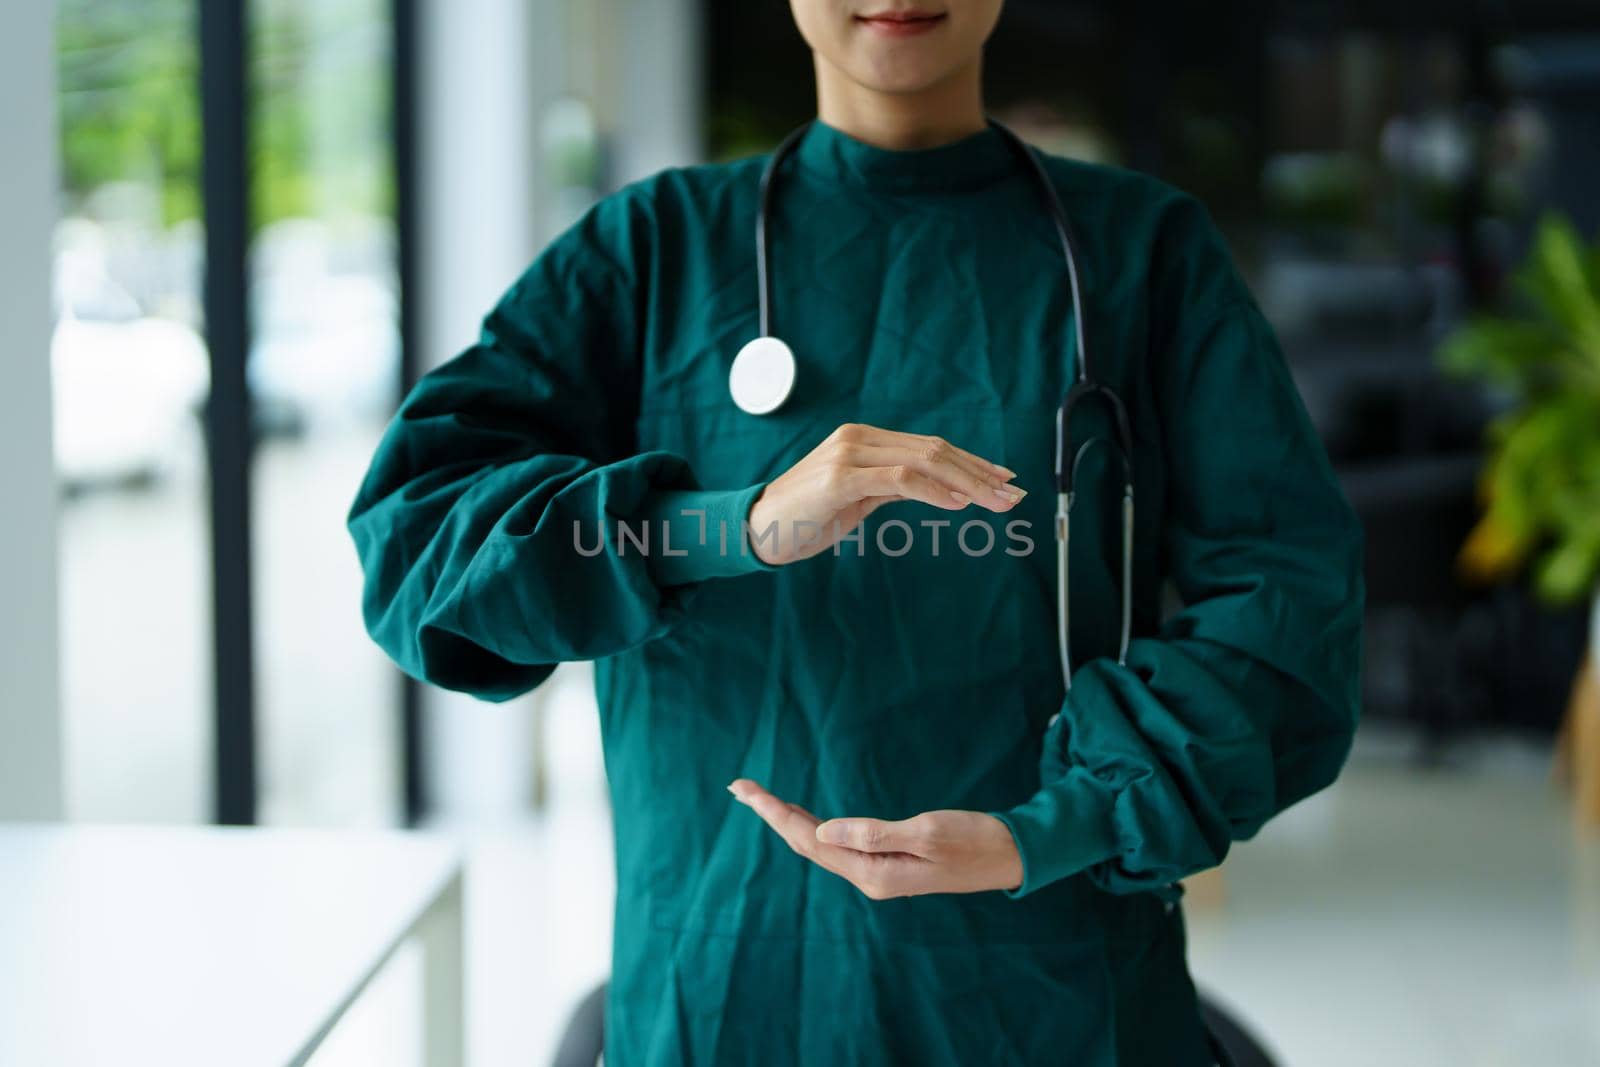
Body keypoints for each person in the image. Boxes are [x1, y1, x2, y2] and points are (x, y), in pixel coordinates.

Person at [347, 1, 1365, 1063]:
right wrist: (728, 525)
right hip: (731, 987)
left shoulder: (1143, 253)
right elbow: (417, 540)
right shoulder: (649, 254)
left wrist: (1047, 829)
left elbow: (1290, 608)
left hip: (1055, 985)